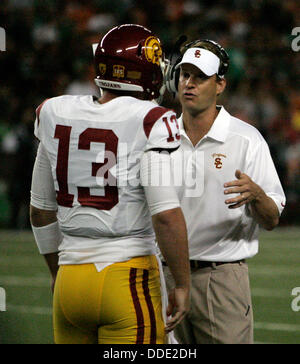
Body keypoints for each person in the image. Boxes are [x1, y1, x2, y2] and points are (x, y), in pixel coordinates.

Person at [29, 24, 190, 344]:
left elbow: (40, 210)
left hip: (70, 281)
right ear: (146, 72)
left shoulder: (54, 111)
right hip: (126, 277)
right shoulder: (152, 119)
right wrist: (183, 285)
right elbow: (165, 215)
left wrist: (56, 272)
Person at [162, 39, 286, 344]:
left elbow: (271, 220)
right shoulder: (160, 136)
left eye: (200, 77)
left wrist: (257, 195)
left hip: (219, 278)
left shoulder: (246, 140)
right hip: (163, 278)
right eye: (184, 75)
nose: (189, 84)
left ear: (220, 85)